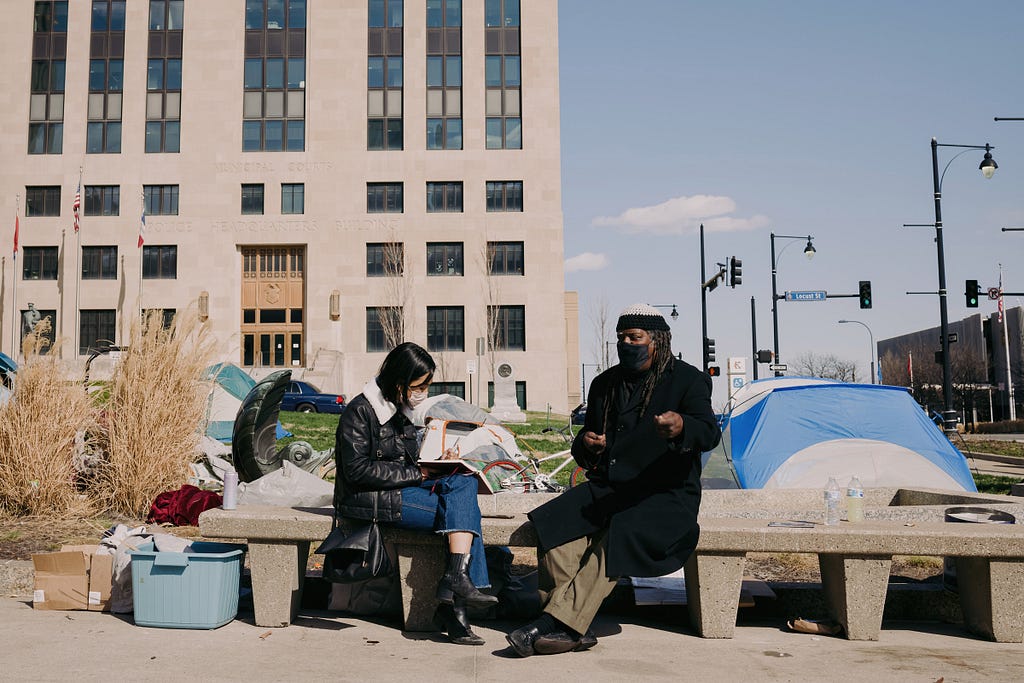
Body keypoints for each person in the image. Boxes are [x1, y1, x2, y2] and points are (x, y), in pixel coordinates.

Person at [507, 303, 721, 656]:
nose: (626, 344)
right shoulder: (605, 383)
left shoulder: (687, 379)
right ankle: (572, 623)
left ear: (657, 341)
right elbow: (586, 448)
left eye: (634, 337)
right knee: (552, 523)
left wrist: (682, 427)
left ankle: (552, 624)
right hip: (610, 488)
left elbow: (708, 432)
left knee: (619, 534)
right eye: (621, 337)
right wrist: (587, 444)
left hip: (665, 495)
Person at [334, 341, 496, 645]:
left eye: (427, 385)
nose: (423, 391)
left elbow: (405, 458)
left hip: (399, 486)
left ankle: (455, 583)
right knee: (464, 517)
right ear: (399, 381)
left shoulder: (401, 410)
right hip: (366, 498)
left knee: (463, 480)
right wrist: (418, 473)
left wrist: (437, 459)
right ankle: (454, 599)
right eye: (419, 385)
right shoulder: (359, 411)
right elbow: (356, 471)